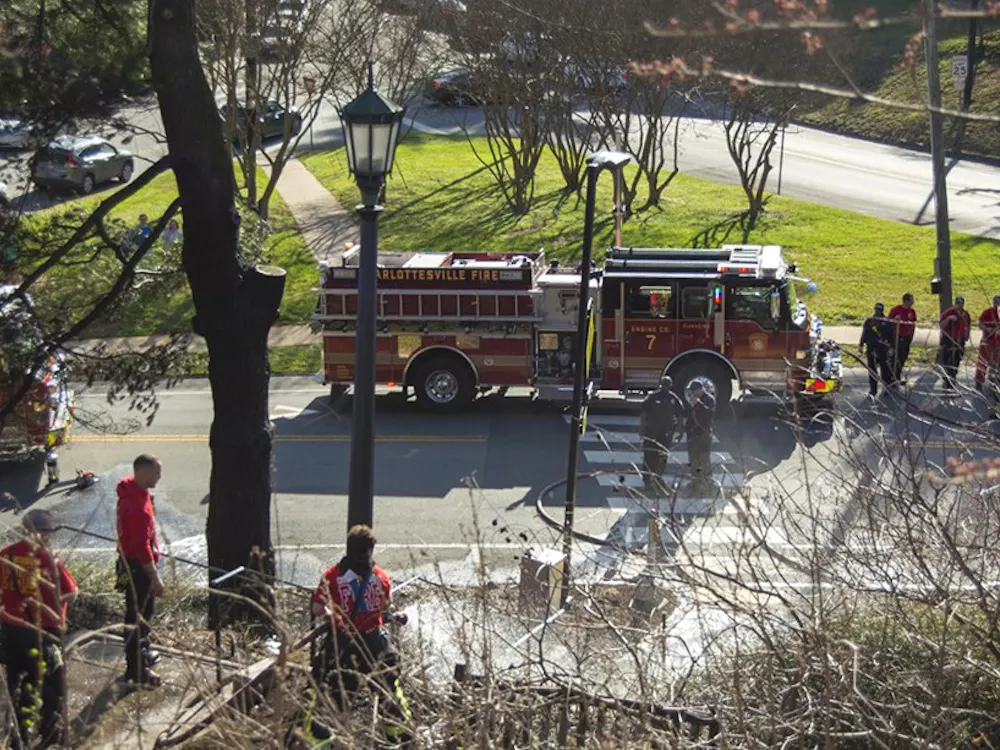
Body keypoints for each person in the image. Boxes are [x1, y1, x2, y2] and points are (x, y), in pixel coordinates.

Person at [311, 525, 411, 740]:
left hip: (344, 648)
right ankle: (399, 737)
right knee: (388, 692)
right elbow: (386, 607)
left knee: (333, 700)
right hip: (376, 646)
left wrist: (331, 613)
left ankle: (318, 742)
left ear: (347, 548)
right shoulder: (381, 577)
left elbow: (317, 609)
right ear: (370, 551)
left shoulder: (331, 576)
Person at [1, 508, 78, 749]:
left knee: (19, 685)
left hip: (11, 632)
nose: (50, 534)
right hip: (43, 633)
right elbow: (71, 593)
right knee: (53, 690)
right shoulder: (48, 559)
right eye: (48, 530)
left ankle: (18, 738)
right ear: (38, 532)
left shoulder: (6, 554)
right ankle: (52, 739)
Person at [116, 454, 164, 686]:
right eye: (156, 472)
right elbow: (140, 546)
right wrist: (154, 577)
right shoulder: (137, 507)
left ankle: (143, 654)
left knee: (141, 615)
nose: (159, 476)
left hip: (129, 563)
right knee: (139, 618)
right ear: (144, 473)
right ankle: (136, 670)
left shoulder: (133, 492)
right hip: (139, 569)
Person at [638, 374, 685, 492]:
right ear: (660, 385)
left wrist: (680, 432)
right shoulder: (652, 397)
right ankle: (647, 482)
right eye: (664, 385)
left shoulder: (674, 399)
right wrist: (642, 430)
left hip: (665, 435)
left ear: (671, 386)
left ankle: (657, 479)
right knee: (649, 457)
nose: (666, 387)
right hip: (651, 433)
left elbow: (679, 416)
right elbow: (644, 415)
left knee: (662, 458)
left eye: (668, 385)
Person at [686, 380, 716, 494]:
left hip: (703, 433)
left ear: (700, 390)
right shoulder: (692, 400)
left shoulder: (709, 400)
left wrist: (698, 404)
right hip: (693, 434)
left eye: (694, 391)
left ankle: (708, 482)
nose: (693, 394)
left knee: (704, 459)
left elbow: (708, 415)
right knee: (693, 459)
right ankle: (695, 481)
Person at [860, 302, 894, 398]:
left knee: (885, 371)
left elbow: (891, 336)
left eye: (879, 310)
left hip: (883, 349)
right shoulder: (869, 321)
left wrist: (891, 347)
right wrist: (861, 345)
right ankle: (873, 390)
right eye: (876, 310)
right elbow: (864, 333)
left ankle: (887, 388)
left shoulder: (887, 322)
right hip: (871, 348)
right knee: (872, 371)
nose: (877, 312)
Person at [939, 296, 971, 394]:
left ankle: (952, 380)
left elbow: (968, 326)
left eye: (961, 303)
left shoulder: (965, 314)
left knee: (956, 361)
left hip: (959, 340)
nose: (959, 305)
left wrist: (966, 336)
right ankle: (946, 381)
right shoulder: (949, 312)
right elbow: (941, 325)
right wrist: (948, 319)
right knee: (948, 361)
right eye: (958, 303)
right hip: (948, 340)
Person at [888, 293, 917, 384]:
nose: (913, 302)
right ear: (906, 301)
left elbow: (913, 324)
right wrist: (894, 320)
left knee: (903, 357)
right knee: (895, 357)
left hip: (907, 337)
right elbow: (888, 322)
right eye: (911, 300)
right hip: (897, 336)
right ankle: (891, 377)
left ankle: (897, 376)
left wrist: (911, 335)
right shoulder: (896, 310)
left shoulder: (912, 311)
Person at [975, 295, 1000, 394]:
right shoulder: (987, 312)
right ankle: (979, 382)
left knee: (996, 363)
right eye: (996, 303)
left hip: (997, 343)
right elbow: (980, 323)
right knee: (983, 362)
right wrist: (986, 329)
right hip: (987, 341)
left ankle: (994, 382)